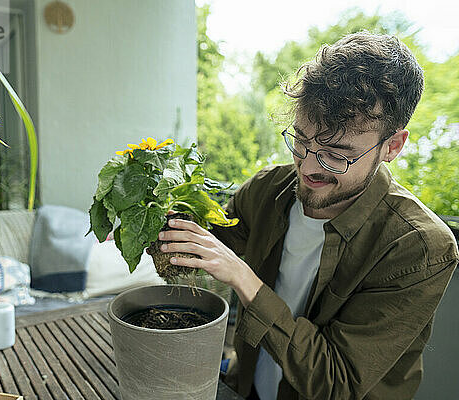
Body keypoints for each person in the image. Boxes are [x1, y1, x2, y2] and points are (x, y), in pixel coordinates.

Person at [158, 32, 459, 399]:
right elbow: (201, 251)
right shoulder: (269, 190)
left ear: (391, 146)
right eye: (301, 140)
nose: (308, 166)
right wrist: (157, 227)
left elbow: (336, 383)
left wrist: (243, 278)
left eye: (336, 153)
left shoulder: (419, 248)